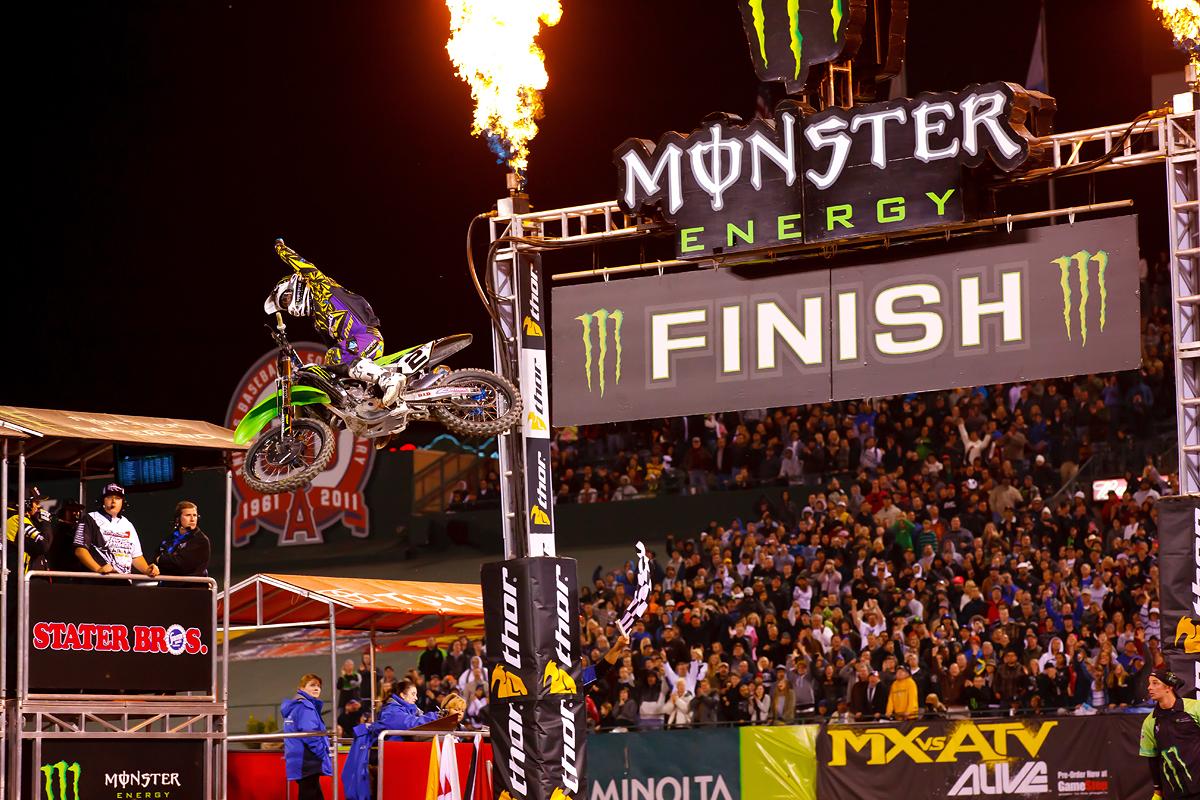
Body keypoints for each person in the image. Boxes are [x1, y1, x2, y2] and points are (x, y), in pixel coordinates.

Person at [266, 239, 403, 408]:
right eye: (285, 306)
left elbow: (304, 266)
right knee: (332, 365)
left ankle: (388, 379)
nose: (289, 307)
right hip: (356, 346)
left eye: (285, 299)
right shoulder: (318, 322)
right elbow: (335, 351)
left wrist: (280, 248)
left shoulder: (321, 287)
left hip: (365, 336)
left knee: (334, 356)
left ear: (295, 286)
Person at [341, 679, 462, 800]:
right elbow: (409, 723)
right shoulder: (391, 711)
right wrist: (434, 717)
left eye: (416, 694)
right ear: (402, 695)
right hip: (392, 759)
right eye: (412, 694)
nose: (416, 698)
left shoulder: (411, 710)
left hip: (400, 758)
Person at [73, 484, 158, 577]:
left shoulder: (128, 524)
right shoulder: (90, 518)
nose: (113, 501)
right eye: (109, 497)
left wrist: (147, 570)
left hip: (124, 583)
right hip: (98, 582)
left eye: (117, 498)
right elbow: (80, 550)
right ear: (102, 501)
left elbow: (136, 557)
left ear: (123, 502)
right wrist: (98, 569)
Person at [1139, 670, 1200, 800]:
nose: (1149, 687)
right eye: (1149, 684)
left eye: (1155, 683)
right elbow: (1153, 759)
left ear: (1169, 687)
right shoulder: (1150, 722)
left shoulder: (1194, 707)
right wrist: (1157, 791)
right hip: (1173, 792)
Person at [282, 673, 333, 800]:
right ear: (302, 688)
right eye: (312, 685)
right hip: (308, 759)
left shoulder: (297, 706)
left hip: (301, 759)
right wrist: (322, 752)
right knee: (309, 793)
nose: (317, 688)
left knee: (313, 793)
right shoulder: (306, 707)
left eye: (319, 686)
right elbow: (311, 735)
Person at [154, 500, 211, 577]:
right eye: (188, 515)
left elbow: (181, 564)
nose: (192, 519)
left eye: (194, 515)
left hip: (190, 587)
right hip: (168, 585)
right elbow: (155, 560)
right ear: (178, 519)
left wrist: (161, 559)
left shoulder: (200, 540)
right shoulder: (170, 538)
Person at [5, 486, 51, 574]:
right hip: (15, 579)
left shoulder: (9, 515)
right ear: (27, 503)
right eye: (36, 502)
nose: (39, 506)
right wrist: (46, 522)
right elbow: (43, 544)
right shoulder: (17, 519)